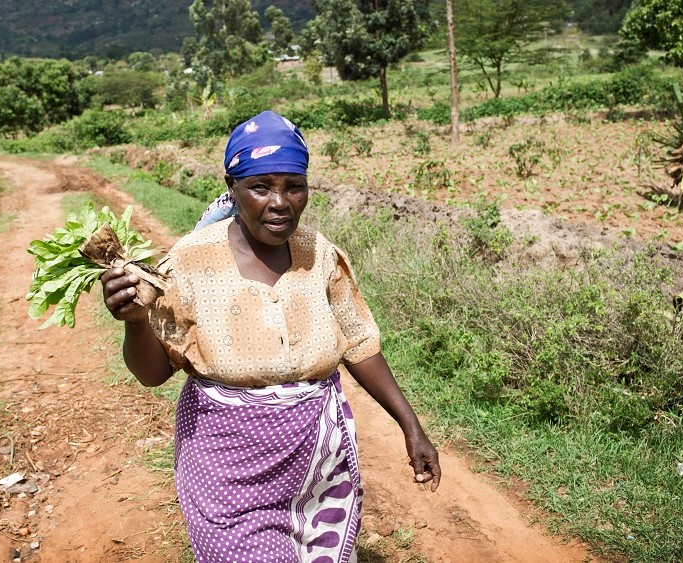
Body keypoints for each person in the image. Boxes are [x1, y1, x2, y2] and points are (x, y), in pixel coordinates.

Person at [101, 110, 440, 562]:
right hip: (225, 466)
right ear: (232, 186)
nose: (280, 202)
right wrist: (135, 321)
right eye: (260, 187)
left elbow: (359, 343)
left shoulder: (319, 255)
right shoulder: (190, 261)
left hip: (317, 465)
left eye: (293, 186)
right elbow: (152, 373)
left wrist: (411, 426)